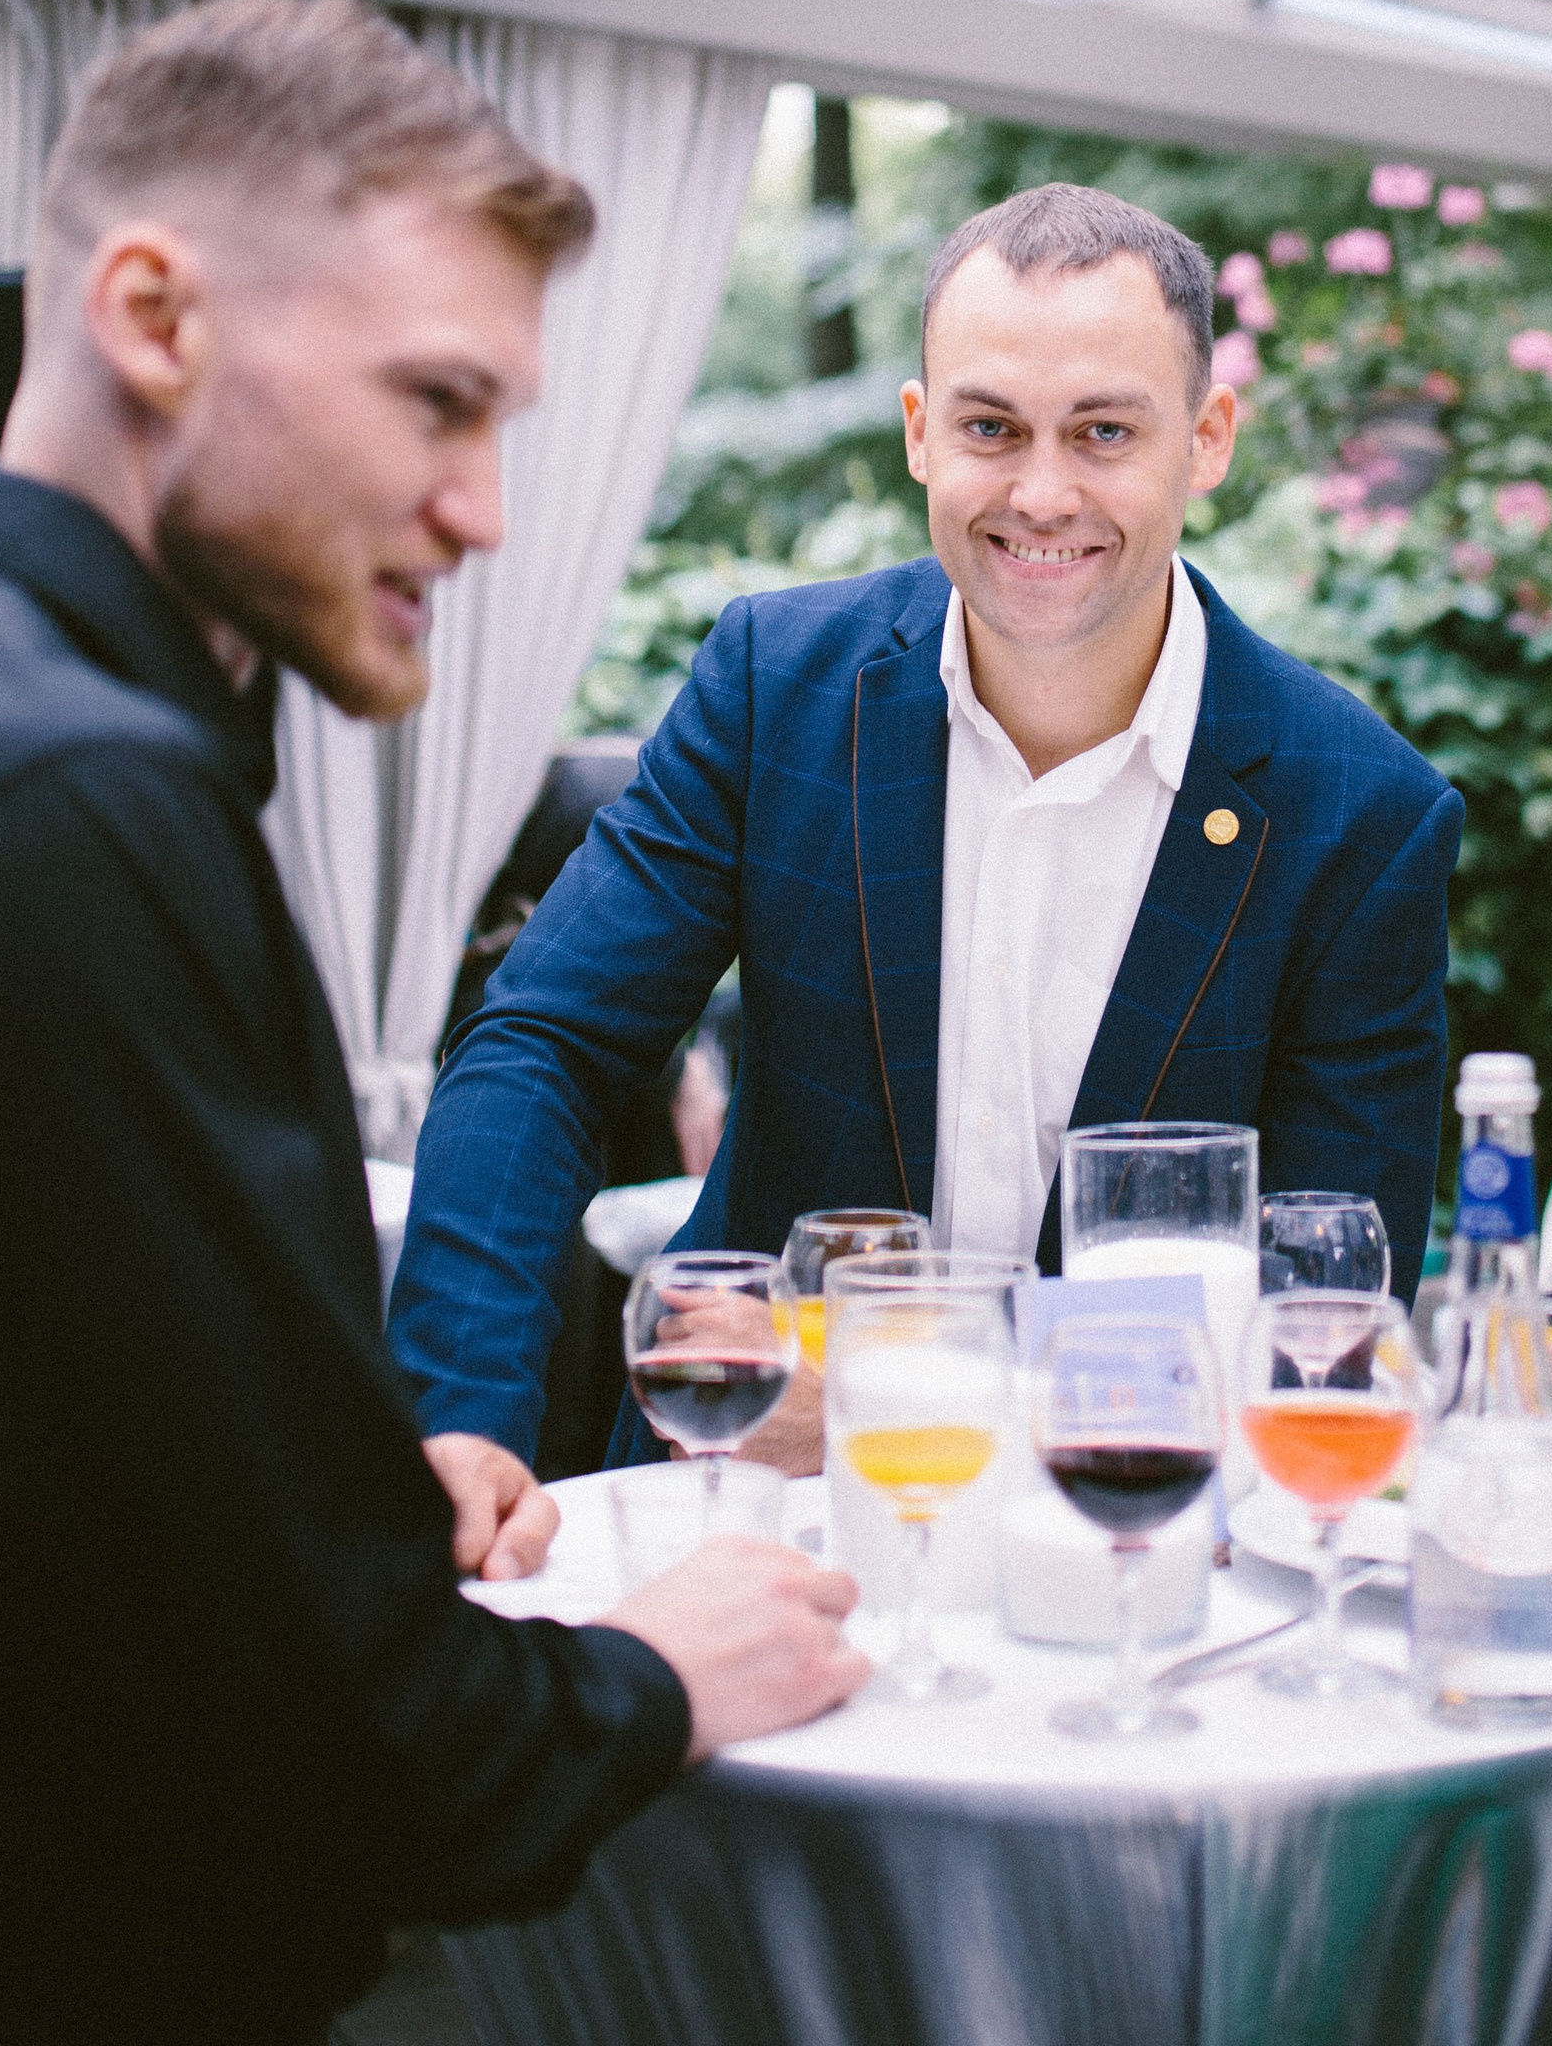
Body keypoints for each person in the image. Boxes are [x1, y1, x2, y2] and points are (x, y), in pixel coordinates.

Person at [0, 0, 864, 2046]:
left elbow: (37, 1487)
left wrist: (350, 1487)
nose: (482, 510)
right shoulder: (58, 808)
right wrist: (655, 1668)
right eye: (435, 401)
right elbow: (334, 1746)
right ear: (153, 316)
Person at [392, 182, 1462, 1476]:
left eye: (1106, 432)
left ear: (1208, 438)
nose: (1044, 491)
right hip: (739, 1508)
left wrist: (885, 1406)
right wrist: (457, 1426)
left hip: (1135, 1550)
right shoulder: (773, 686)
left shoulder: (1362, 814)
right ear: (920, 434)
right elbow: (541, 1046)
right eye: (992, 428)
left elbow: (1331, 1322)